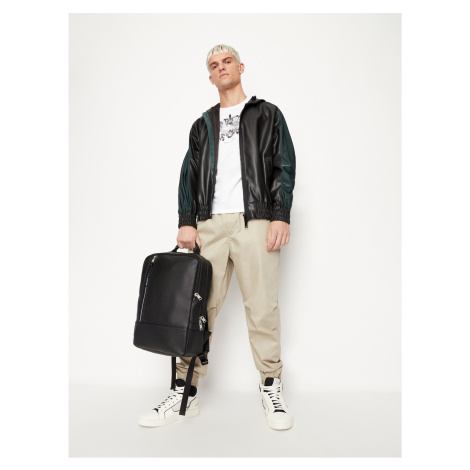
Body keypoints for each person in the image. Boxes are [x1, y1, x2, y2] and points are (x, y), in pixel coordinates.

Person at [138, 44, 296, 431]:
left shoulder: (268, 115)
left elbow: (284, 165)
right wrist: (187, 221)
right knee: (195, 309)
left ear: (240, 67)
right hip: (209, 224)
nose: (221, 67)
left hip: (256, 220)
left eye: (227, 61)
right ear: (210, 77)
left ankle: (271, 386)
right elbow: (189, 174)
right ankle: (184, 392)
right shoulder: (202, 125)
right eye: (214, 64)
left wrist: (280, 215)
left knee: (262, 307)